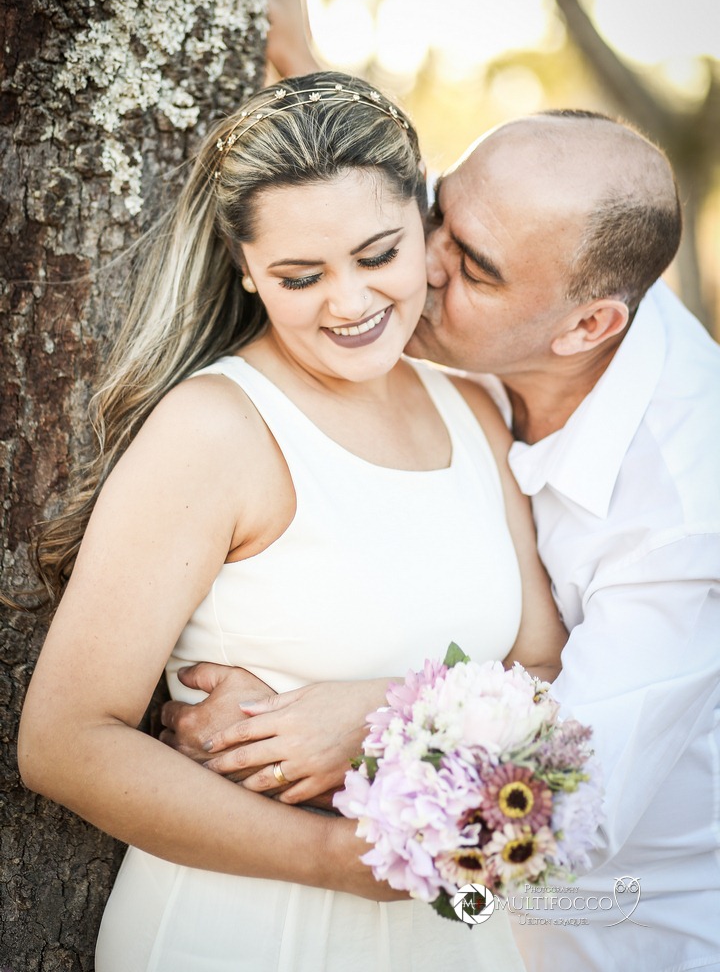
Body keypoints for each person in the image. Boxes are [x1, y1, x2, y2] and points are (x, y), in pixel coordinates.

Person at [161, 0, 720, 972]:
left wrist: (366, 717)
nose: (413, 269)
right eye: (436, 220)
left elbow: (556, 808)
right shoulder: (524, 268)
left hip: (618, 925)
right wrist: (308, 63)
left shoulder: (688, 509)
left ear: (583, 328)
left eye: (469, 270)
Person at [18, 70, 567, 971]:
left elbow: (542, 669)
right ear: (246, 270)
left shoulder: (472, 410)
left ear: (426, 230)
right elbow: (65, 742)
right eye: (300, 276)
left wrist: (391, 715)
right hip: (248, 931)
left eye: (378, 254)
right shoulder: (215, 429)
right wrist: (330, 859)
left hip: (450, 937)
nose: (348, 304)